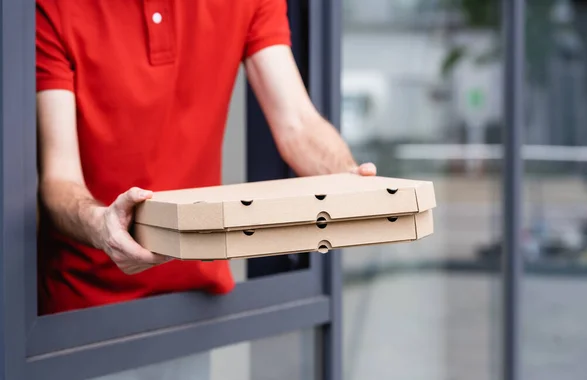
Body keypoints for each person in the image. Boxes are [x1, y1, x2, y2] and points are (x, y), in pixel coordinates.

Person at [36, 0, 376, 317]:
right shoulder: (52, 7)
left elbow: (298, 124)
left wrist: (347, 180)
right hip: (82, 310)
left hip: (197, 303)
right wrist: (102, 227)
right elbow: (58, 180)